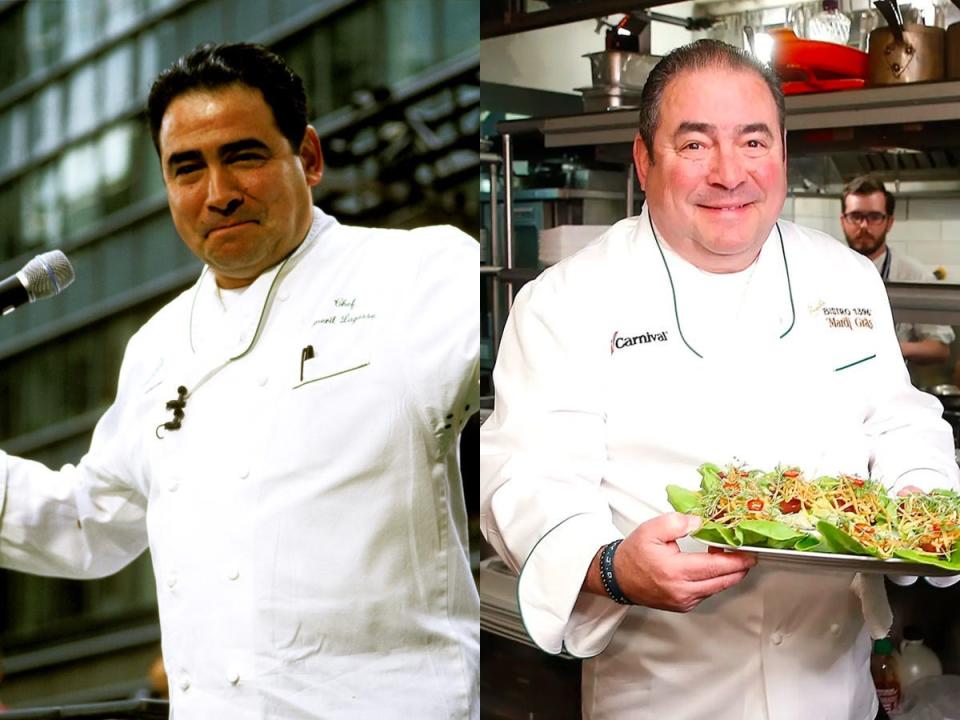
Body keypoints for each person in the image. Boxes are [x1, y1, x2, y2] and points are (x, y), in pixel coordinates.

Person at [480, 39, 959, 720]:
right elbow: (528, 480)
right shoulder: (567, 299)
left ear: (783, 156)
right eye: (695, 144)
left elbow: (898, 420)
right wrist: (611, 566)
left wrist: (924, 508)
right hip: (667, 690)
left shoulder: (846, 278)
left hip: (832, 685)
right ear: (646, 160)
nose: (730, 173)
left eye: (754, 141)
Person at [0, 43, 478, 719]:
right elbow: (88, 525)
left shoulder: (421, 273)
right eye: (187, 168)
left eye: (244, 156)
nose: (218, 194)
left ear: (308, 158)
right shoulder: (156, 346)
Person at [840, 175, 954, 365]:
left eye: (874, 217)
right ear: (843, 220)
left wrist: (888, 348)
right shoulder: (824, 268)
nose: (864, 226)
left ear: (889, 222)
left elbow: (940, 348)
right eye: (856, 216)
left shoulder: (914, 275)